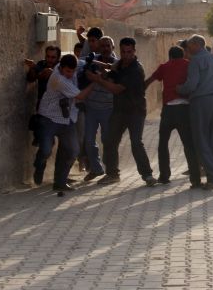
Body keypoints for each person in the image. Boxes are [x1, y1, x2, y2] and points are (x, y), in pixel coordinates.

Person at [87, 37, 157, 186]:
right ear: (120, 51)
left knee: (136, 143)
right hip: (119, 110)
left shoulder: (136, 70)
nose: (126, 55)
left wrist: (98, 80)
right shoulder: (120, 64)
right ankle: (112, 174)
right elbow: (112, 70)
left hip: (135, 111)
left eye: (129, 52)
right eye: (123, 52)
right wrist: (103, 72)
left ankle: (147, 175)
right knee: (110, 140)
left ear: (134, 51)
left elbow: (116, 89)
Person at [33, 54, 96, 190]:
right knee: (45, 150)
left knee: (72, 151)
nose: (71, 74)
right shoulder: (58, 79)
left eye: (73, 71)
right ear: (60, 68)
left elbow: (83, 63)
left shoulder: (73, 64)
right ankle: (39, 165)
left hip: (67, 119)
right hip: (49, 118)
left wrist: (98, 65)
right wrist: (96, 81)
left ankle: (60, 182)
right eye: (68, 71)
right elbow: (80, 96)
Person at [145, 46, 201, 187]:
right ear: (183, 56)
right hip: (184, 109)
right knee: (188, 144)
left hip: (168, 110)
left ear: (170, 56)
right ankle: (195, 179)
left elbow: (151, 79)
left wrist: (140, 88)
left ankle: (164, 176)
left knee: (163, 143)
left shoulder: (164, 66)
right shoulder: (189, 65)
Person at [177, 34, 213, 190]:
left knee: (201, 140)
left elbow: (192, 85)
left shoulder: (196, 60)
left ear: (196, 44)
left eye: (189, 45)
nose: (187, 48)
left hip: (202, 101)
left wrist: (179, 88)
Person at [80, 36, 118, 182]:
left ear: (112, 48)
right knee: (89, 141)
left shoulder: (117, 64)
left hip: (109, 109)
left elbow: (112, 82)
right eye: (102, 46)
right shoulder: (91, 61)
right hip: (91, 108)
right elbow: (85, 75)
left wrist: (99, 78)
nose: (105, 48)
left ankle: (111, 171)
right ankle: (96, 169)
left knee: (107, 141)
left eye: (108, 46)